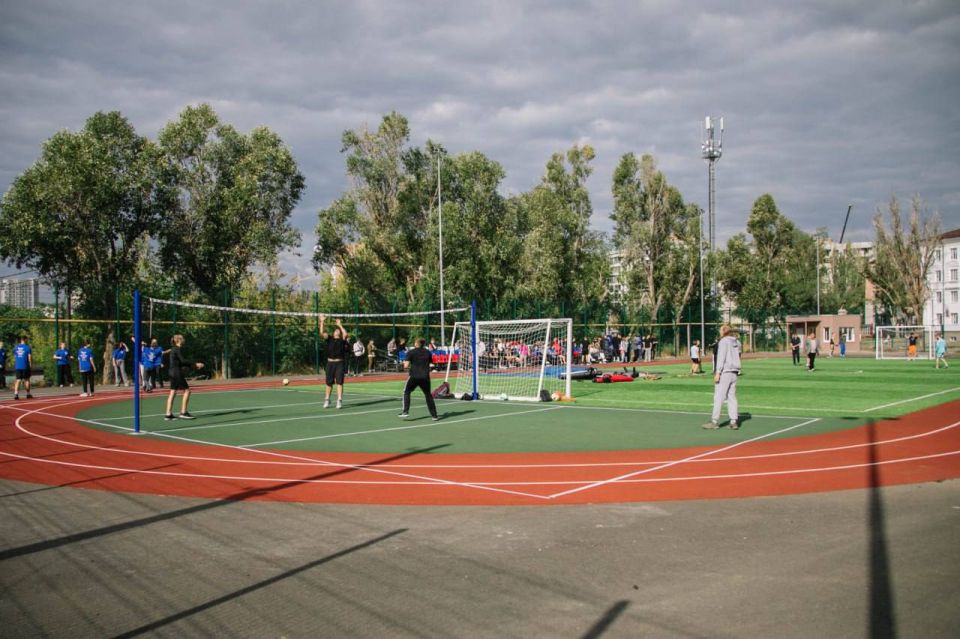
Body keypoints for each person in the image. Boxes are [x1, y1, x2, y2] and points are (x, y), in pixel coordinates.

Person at [703, 325, 741, 430]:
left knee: (719, 397)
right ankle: (734, 421)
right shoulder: (736, 342)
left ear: (723, 332)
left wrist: (718, 372)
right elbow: (739, 355)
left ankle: (714, 421)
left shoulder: (723, 342)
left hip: (725, 371)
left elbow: (721, 358)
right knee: (732, 397)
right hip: (734, 371)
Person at [164, 334, 204, 420]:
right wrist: (195, 364)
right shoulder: (176, 349)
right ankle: (183, 412)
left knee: (173, 392)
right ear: (178, 340)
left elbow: (181, 362)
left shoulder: (173, 350)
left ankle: (168, 414)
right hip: (176, 372)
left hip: (171, 372)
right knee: (187, 391)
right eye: (182, 339)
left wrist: (194, 366)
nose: (184, 340)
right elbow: (183, 360)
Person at [399, 337, 439, 420]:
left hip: (414, 376)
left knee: (406, 391)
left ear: (417, 343)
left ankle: (405, 411)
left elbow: (406, 366)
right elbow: (430, 363)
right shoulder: (428, 352)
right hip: (425, 377)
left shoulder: (411, 352)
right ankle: (434, 415)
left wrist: (406, 363)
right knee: (428, 395)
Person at [320, 315, 348, 409]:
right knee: (329, 383)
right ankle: (327, 399)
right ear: (333, 332)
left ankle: (339, 400)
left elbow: (345, 334)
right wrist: (322, 321)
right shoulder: (330, 339)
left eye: (338, 330)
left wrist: (340, 325)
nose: (337, 331)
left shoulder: (342, 341)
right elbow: (321, 333)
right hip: (330, 363)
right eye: (336, 330)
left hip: (339, 363)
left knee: (339, 382)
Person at [12, 336, 34, 400]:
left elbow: (15, 356)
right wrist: (30, 366)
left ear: (21, 340)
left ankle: (16, 394)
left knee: (18, 380)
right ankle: (28, 394)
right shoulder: (27, 347)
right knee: (26, 380)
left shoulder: (16, 347)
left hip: (18, 366)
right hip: (25, 366)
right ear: (25, 340)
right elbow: (29, 358)